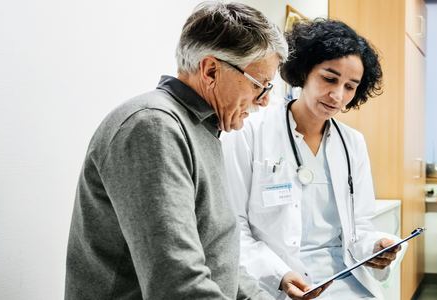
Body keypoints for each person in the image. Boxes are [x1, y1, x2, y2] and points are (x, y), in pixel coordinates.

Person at [65, 2, 300, 299]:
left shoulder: (200, 128)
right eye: (260, 85)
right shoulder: (152, 127)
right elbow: (176, 282)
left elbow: (219, 257)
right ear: (211, 70)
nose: (265, 101)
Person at [220, 19, 397, 300]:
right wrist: (278, 275)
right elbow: (233, 228)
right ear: (304, 71)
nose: (338, 96)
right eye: (329, 78)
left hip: (344, 279)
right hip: (276, 281)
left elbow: (360, 227)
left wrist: (376, 246)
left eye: (350, 87)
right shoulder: (250, 132)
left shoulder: (353, 143)